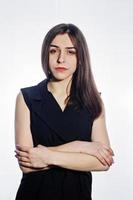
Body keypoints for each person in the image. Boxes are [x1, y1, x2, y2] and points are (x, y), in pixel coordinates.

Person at [14, 23, 114, 200]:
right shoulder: (27, 97)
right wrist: (80, 147)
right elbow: (28, 164)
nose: (61, 59)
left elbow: (103, 161)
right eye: (54, 51)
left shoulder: (93, 100)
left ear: (80, 57)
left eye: (70, 52)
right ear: (46, 54)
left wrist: (47, 156)